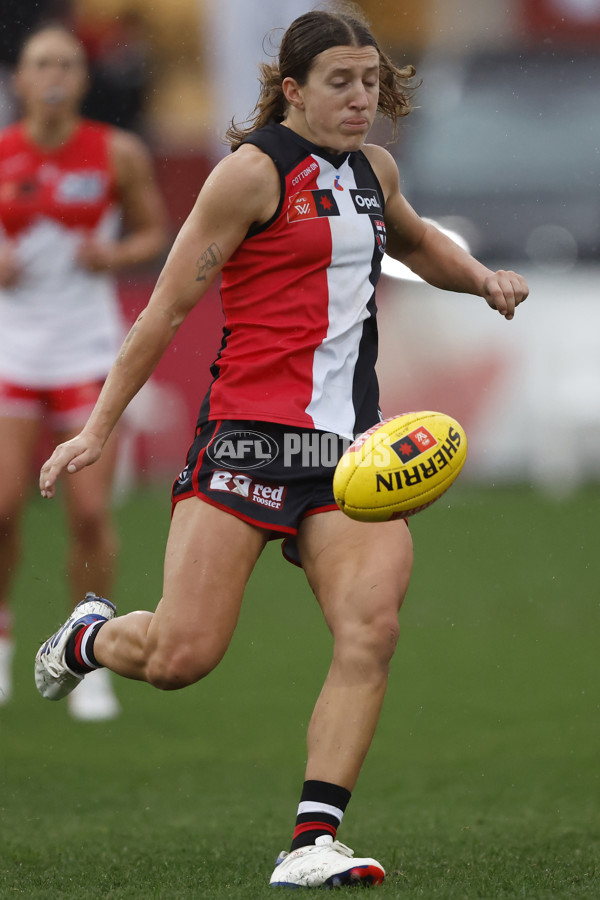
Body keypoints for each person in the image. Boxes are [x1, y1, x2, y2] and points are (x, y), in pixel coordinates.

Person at [34, 5, 528, 888]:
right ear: (293, 89)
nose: (360, 99)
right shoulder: (250, 175)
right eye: (341, 82)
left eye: (371, 81)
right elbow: (166, 310)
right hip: (248, 442)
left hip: (350, 455)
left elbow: (415, 245)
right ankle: (89, 639)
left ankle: (312, 840)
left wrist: (482, 277)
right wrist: (98, 428)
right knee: (182, 658)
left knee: (371, 629)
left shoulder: (375, 170)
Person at [0, 25, 167, 719]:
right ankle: (3, 641)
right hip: (13, 354)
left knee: (91, 511)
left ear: (83, 77)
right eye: (42, 63)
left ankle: (89, 649)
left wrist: (117, 253)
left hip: (89, 354)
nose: (55, 74)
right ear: (21, 79)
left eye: (67, 62)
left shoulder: (116, 152)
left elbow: (157, 232)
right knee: (2, 508)